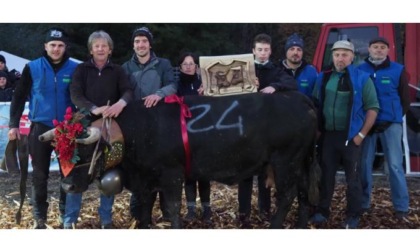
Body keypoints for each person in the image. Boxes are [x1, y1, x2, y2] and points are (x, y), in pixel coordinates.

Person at [8, 28, 79, 229]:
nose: (56, 49)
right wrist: (13, 124)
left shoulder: (75, 68)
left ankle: (66, 217)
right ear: (45, 46)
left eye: (60, 45)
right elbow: (19, 96)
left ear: (66, 47)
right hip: (40, 128)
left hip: (67, 130)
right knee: (39, 175)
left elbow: (81, 97)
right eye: (52, 45)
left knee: (68, 174)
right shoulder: (32, 67)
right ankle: (40, 217)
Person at [65, 30, 133, 229]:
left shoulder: (118, 70)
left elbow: (128, 90)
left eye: (104, 46)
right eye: (97, 46)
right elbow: (75, 94)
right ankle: (70, 221)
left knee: (109, 173)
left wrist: (121, 103)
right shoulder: (81, 70)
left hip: (110, 128)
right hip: (84, 126)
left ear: (110, 50)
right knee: (77, 173)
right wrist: (94, 108)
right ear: (91, 50)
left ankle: (106, 219)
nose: (100, 49)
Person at [311, 40, 379, 228]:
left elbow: (373, 108)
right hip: (328, 136)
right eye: (337, 54)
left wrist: (361, 135)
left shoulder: (362, 78)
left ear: (352, 57)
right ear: (332, 56)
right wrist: (317, 131)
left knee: (353, 178)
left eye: (345, 55)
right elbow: (316, 104)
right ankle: (322, 211)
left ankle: (353, 214)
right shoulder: (323, 77)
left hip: (351, 137)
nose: (340, 58)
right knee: (326, 176)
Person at [237, 33, 297, 227]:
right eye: (259, 50)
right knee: (245, 173)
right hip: (245, 126)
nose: (263, 53)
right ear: (253, 51)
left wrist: (274, 86)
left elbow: (291, 83)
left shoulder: (276, 69)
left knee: (265, 172)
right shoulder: (243, 67)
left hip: (266, 129)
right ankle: (243, 211)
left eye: (266, 50)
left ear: (270, 51)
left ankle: (265, 210)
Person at [122, 26, 177, 225]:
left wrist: (159, 94)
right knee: (138, 169)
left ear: (150, 44)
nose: (140, 44)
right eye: (137, 41)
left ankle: (168, 212)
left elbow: (172, 85)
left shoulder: (163, 64)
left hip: (161, 124)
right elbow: (122, 91)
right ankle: (140, 214)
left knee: (163, 168)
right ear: (133, 45)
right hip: (135, 127)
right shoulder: (126, 67)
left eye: (144, 41)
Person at [358, 37, 410, 219]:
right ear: (369, 49)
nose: (379, 50)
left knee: (395, 165)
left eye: (382, 48)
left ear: (388, 50)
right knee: (364, 165)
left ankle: (402, 207)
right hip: (367, 126)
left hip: (391, 125)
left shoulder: (398, 70)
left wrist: (394, 117)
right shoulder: (359, 70)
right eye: (375, 47)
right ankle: (363, 204)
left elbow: (405, 98)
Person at [176, 52, 211, 223]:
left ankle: (207, 209)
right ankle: (190, 209)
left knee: (204, 173)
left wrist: (207, 92)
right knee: (189, 174)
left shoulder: (203, 83)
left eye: (192, 64)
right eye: (185, 64)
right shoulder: (176, 85)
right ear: (180, 67)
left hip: (204, 132)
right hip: (185, 134)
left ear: (196, 67)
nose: (189, 66)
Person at [279, 33, 318, 97]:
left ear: (302, 53)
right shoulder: (277, 71)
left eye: (299, 50)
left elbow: (317, 97)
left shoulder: (312, 72)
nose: (295, 52)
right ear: (286, 51)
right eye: (292, 49)